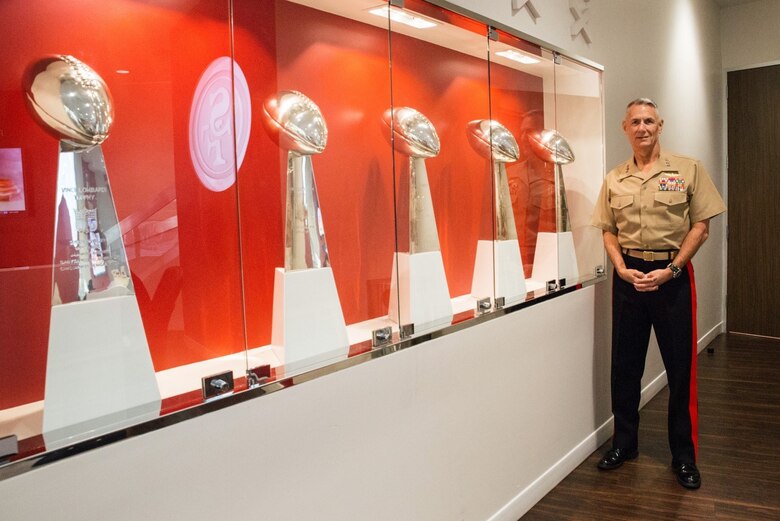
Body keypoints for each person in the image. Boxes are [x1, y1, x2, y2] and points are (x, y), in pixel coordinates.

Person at [590, 98, 726, 489]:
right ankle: (625, 444)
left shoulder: (688, 169)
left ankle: (683, 457)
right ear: (624, 127)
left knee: (681, 369)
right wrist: (619, 267)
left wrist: (672, 270)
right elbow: (608, 229)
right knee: (625, 366)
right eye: (635, 121)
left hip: (672, 277)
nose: (642, 127)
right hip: (628, 277)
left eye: (649, 120)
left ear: (660, 125)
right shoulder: (615, 178)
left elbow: (701, 225)